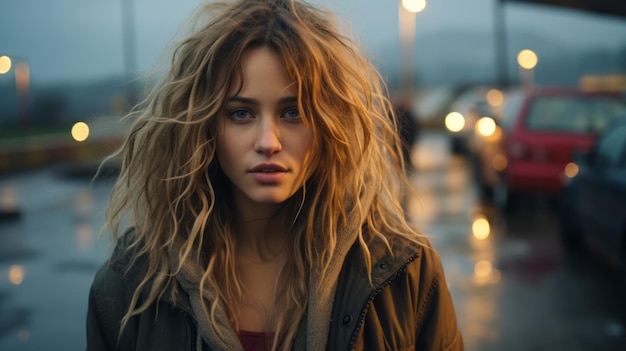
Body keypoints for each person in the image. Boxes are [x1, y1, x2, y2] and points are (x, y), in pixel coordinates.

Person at [86, 0, 463, 350]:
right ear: (203, 128)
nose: (268, 142)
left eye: (293, 112)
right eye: (241, 113)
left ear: (331, 125)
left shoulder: (405, 273)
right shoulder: (128, 285)